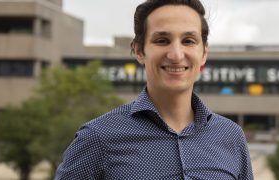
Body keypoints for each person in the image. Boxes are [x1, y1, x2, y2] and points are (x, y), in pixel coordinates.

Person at [55, 0, 253, 179]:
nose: (176, 54)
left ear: (203, 53)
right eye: (162, 40)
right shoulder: (98, 137)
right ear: (139, 51)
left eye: (188, 41)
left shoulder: (231, 137)